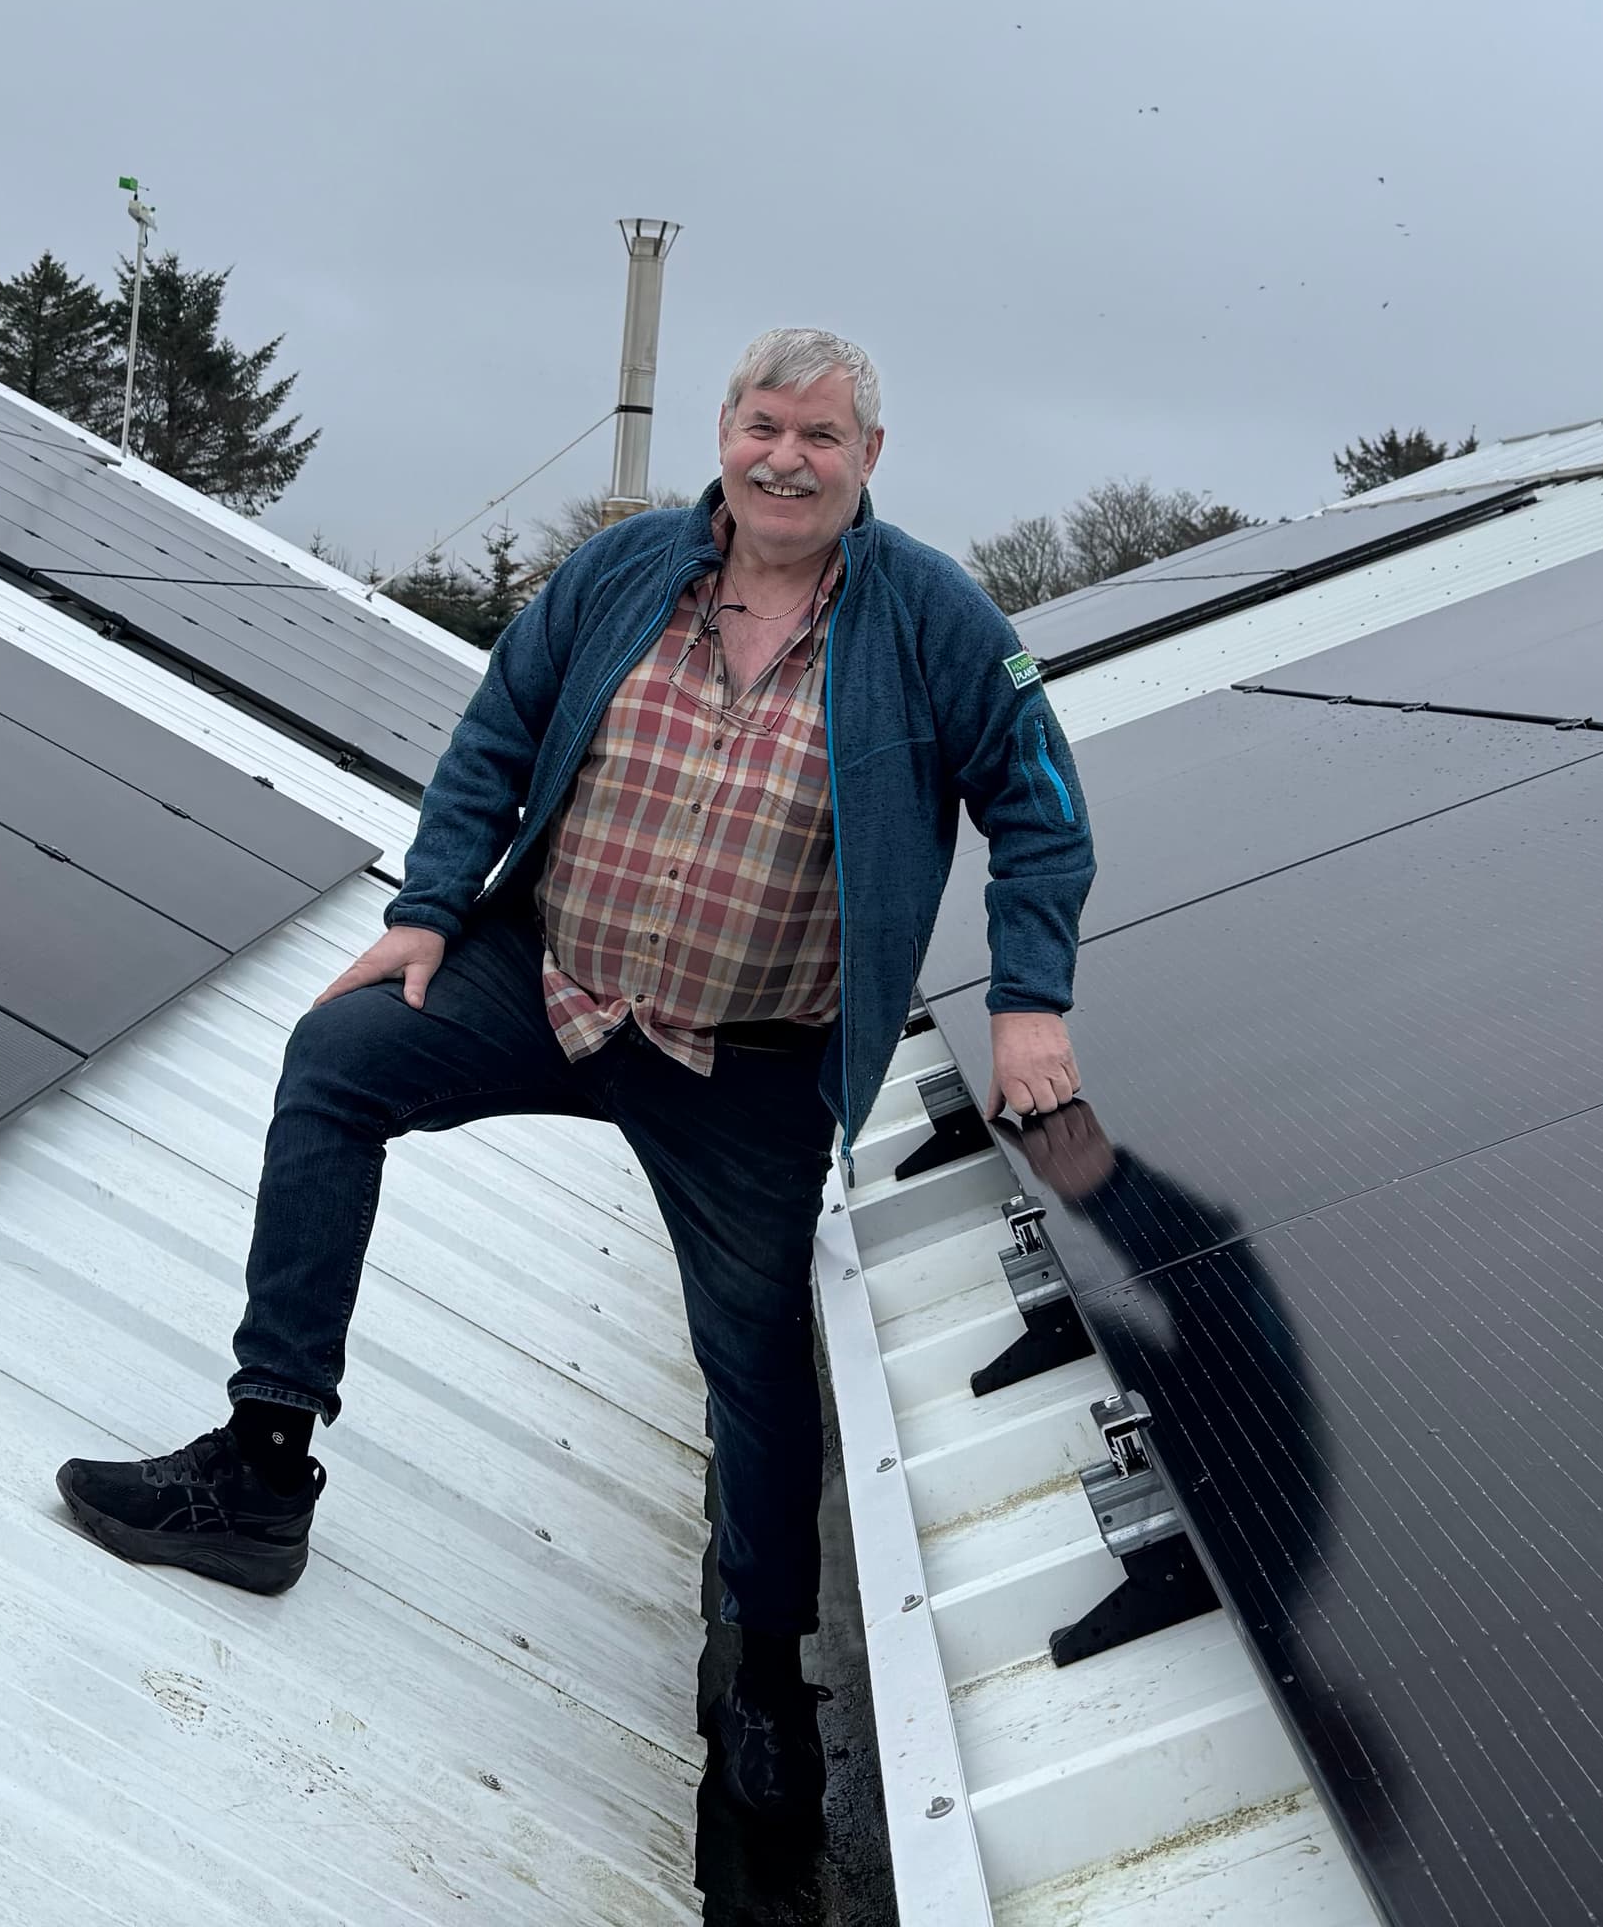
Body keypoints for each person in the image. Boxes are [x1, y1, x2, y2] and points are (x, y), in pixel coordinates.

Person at [61, 325, 1097, 1821]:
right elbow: (497, 734)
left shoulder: (935, 620)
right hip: (547, 982)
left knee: (756, 1369)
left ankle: (767, 1676)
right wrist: (430, 908)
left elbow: (1044, 806)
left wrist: (1030, 1002)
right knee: (337, 1062)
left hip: (748, 1059)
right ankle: (263, 1463)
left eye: (820, 436)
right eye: (763, 425)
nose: (786, 459)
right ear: (724, 431)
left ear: (869, 456)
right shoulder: (624, 571)